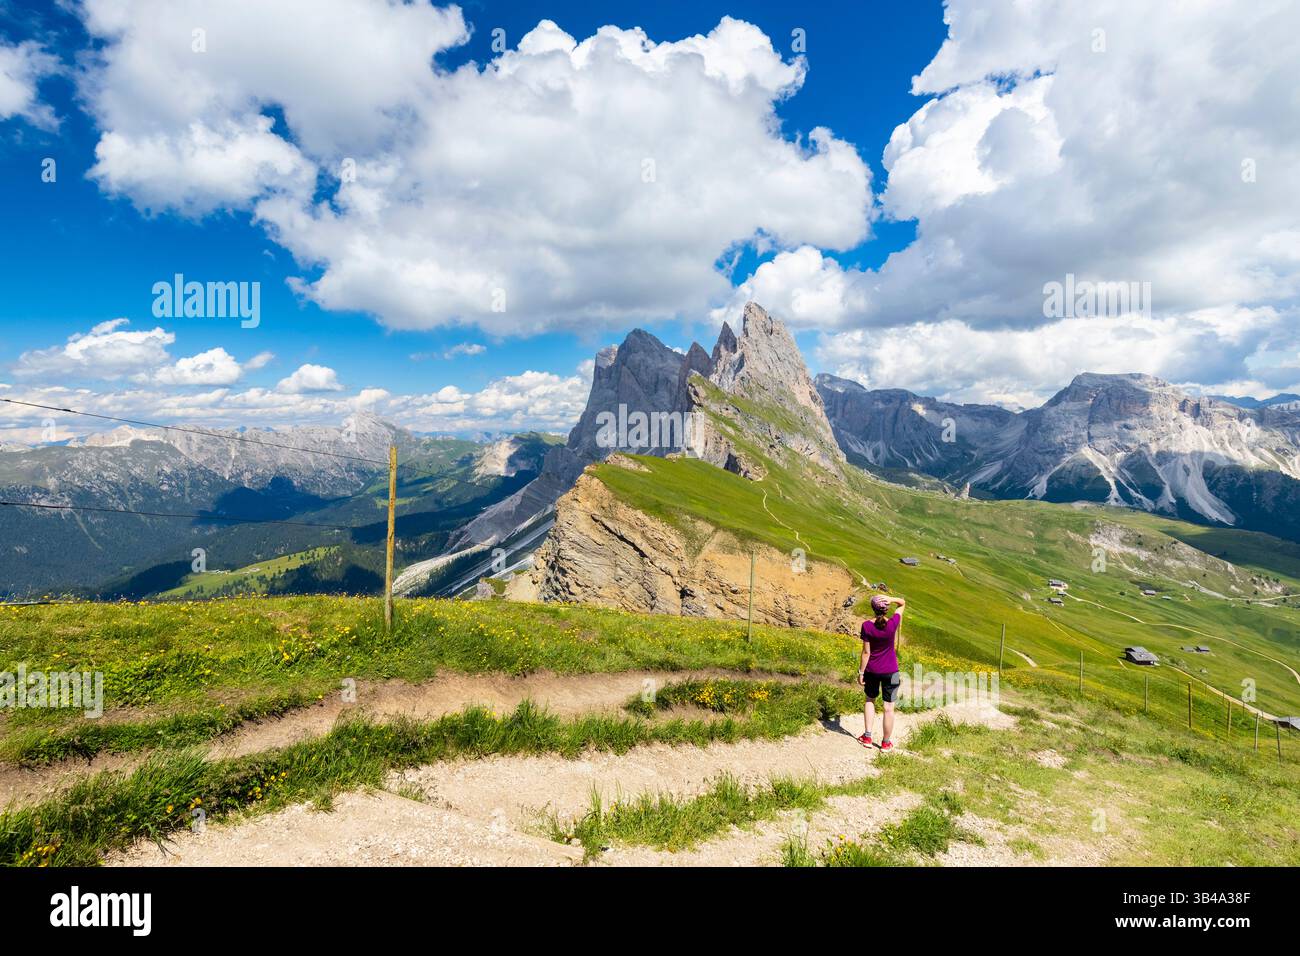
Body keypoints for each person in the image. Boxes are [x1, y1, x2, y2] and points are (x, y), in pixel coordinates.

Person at [857, 594, 905, 750]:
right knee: (889, 708)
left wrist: (861, 672)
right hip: (891, 671)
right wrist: (890, 599)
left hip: (872, 670)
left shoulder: (866, 626)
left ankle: (867, 737)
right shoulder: (893, 623)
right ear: (886, 609)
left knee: (870, 700)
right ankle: (885, 743)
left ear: (873, 608)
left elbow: (866, 653)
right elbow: (902, 603)